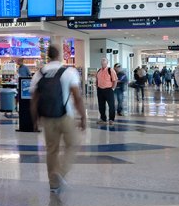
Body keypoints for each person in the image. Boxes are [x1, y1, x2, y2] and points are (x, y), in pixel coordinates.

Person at [30, 45, 87, 194]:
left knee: (52, 150)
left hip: (47, 118)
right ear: (59, 55)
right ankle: (60, 172)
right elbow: (77, 97)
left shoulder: (39, 74)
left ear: (47, 56)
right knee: (73, 144)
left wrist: (35, 120)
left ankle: (53, 185)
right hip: (65, 116)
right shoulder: (69, 72)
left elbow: (34, 100)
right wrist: (83, 117)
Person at [95, 57, 117, 125]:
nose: (103, 64)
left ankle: (111, 119)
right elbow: (97, 80)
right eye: (102, 63)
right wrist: (97, 87)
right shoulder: (99, 71)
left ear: (107, 63)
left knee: (111, 105)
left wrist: (113, 88)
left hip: (108, 90)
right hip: (100, 90)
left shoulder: (111, 70)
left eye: (104, 63)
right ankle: (103, 118)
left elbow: (115, 80)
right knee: (101, 105)